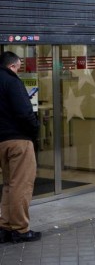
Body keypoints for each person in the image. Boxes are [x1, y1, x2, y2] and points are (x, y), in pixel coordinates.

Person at [0, 51, 41, 243]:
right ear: (12, 66)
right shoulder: (13, 82)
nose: (18, 70)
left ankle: (5, 226)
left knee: (9, 184)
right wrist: (34, 131)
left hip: (1, 142)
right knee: (22, 185)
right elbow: (25, 112)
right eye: (18, 67)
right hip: (18, 140)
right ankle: (20, 229)